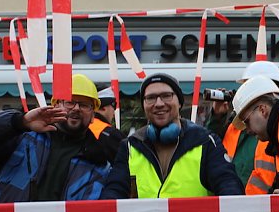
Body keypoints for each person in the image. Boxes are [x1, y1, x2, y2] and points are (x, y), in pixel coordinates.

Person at [0, 73, 111, 202]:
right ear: (56, 105)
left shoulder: (99, 164)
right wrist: (21, 121)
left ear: (93, 115)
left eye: (84, 105)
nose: (76, 108)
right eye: (69, 102)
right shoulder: (24, 139)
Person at [101, 73, 243, 199]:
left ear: (180, 102)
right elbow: (113, 192)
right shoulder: (130, 146)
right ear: (143, 105)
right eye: (150, 98)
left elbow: (229, 187)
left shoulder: (205, 141)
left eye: (166, 96)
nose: (159, 104)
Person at [206, 60, 279, 194]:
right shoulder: (235, 126)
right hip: (229, 200)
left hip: (259, 204)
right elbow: (209, 148)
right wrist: (217, 117)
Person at [89, 86, 125, 163]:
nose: (114, 112)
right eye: (114, 105)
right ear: (103, 107)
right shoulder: (111, 135)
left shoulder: (80, 128)